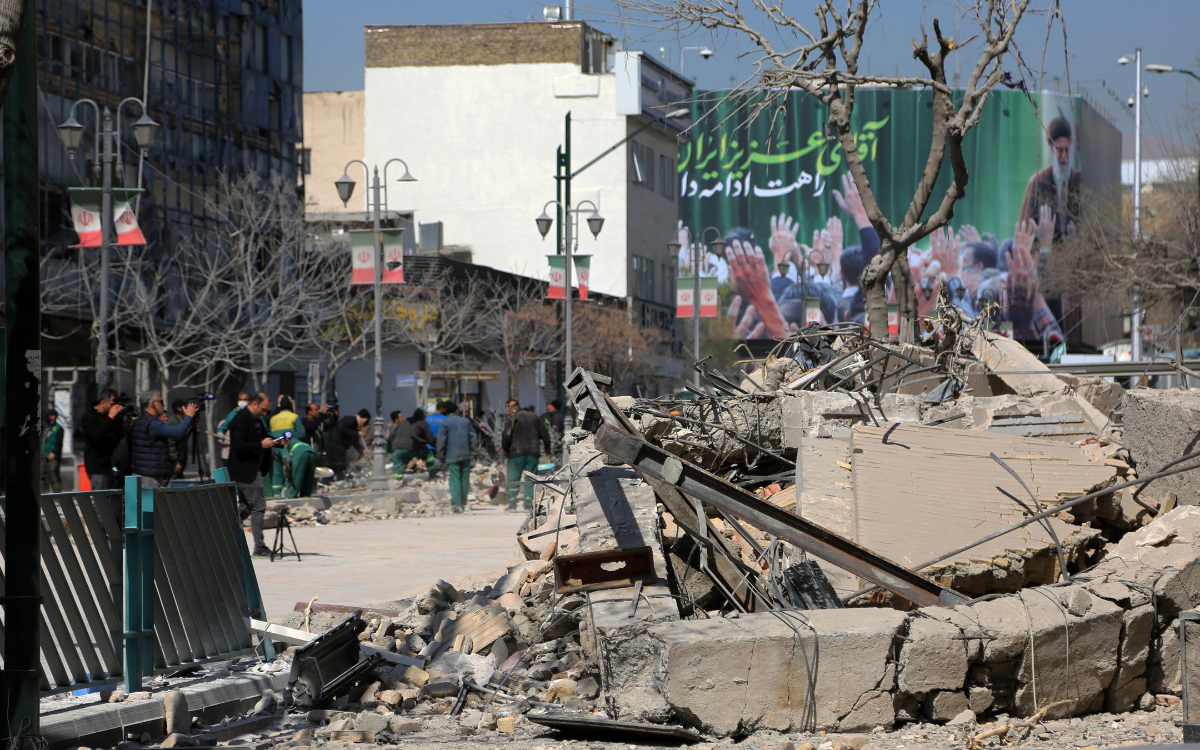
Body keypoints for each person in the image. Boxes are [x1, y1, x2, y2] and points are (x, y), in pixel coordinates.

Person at [227, 393, 276, 556]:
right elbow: (238, 446)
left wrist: (277, 442)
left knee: (246, 507)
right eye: (263, 409)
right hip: (245, 470)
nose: (265, 413)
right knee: (258, 506)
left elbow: (260, 438)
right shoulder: (240, 420)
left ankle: (222, 529)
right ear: (254, 404)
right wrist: (261, 445)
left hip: (250, 469)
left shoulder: (254, 419)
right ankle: (259, 547)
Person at [1019, 115, 1080, 244]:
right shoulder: (1037, 182)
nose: (1064, 156)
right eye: (1059, 150)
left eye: (1066, 150)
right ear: (1052, 148)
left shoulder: (1078, 180)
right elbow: (1026, 228)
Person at [129, 391, 198, 488]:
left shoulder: (142, 419)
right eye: (161, 402)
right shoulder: (152, 422)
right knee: (149, 502)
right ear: (152, 404)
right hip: (149, 475)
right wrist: (189, 416)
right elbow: (176, 433)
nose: (163, 405)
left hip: (144, 472)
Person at [502, 398, 550, 512]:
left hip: (516, 453)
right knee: (530, 478)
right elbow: (545, 435)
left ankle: (512, 505)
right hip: (533, 452)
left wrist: (506, 451)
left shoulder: (512, 418)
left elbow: (506, 436)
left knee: (514, 478)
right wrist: (548, 450)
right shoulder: (534, 417)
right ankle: (528, 505)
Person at [435, 403, 479, 513]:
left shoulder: (445, 423)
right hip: (465, 454)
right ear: (456, 410)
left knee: (455, 480)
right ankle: (463, 504)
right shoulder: (466, 421)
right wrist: (473, 450)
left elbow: (441, 442)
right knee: (464, 479)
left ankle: (456, 504)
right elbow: (473, 438)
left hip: (452, 456)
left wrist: (440, 457)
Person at [81, 389, 124, 490]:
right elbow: (97, 437)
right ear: (103, 403)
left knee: (116, 503)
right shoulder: (89, 417)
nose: (114, 408)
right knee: (101, 502)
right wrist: (110, 417)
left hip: (115, 467)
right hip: (98, 468)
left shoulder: (115, 419)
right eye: (112, 404)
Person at [268, 395, 307, 496]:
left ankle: (276, 496)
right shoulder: (294, 417)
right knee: (288, 472)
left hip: (275, 448)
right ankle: (288, 495)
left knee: (277, 473)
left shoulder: (273, 418)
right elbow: (302, 433)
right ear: (290, 406)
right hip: (287, 448)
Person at [392, 408, 436, 479]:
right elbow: (431, 439)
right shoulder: (422, 423)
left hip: (397, 449)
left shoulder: (403, 422)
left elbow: (392, 436)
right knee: (428, 454)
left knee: (399, 468)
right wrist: (438, 446)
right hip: (413, 448)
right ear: (423, 415)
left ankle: (396, 482)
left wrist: (395, 447)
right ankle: (433, 476)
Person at [325, 408, 367, 479]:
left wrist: (362, 450)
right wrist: (356, 434)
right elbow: (342, 428)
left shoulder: (355, 425)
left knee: (340, 468)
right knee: (336, 467)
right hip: (335, 447)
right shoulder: (350, 419)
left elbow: (354, 441)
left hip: (341, 449)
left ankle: (338, 481)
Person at [281, 432, 317, 498]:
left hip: (300, 454)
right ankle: (306, 495)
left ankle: (290, 496)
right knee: (309, 476)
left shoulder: (286, 447)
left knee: (296, 477)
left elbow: (287, 462)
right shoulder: (299, 442)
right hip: (312, 451)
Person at [43, 409, 65, 493]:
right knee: (42, 476)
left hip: (53, 456)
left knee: (54, 477)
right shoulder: (47, 428)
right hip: (44, 455)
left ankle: (57, 497)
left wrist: (54, 452)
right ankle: (44, 496)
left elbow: (59, 442)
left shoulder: (58, 428)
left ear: (53, 416)